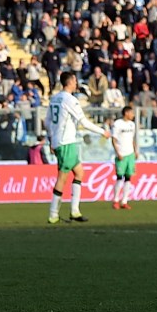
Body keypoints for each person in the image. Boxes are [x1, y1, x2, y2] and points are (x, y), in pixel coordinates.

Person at [46, 71, 111, 223]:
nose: (76, 83)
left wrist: (51, 140)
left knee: (79, 172)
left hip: (59, 141)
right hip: (66, 142)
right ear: (70, 82)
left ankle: (75, 211)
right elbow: (84, 122)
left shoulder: (55, 98)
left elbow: (48, 122)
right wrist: (103, 131)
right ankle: (53, 213)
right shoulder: (70, 100)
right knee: (62, 177)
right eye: (75, 81)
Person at [109, 106, 139, 210]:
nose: (133, 115)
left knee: (128, 178)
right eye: (131, 113)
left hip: (130, 154)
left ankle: (124, 201)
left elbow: (132, 139)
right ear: (126, 113)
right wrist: (117, 153)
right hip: (121, 154)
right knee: (119, 178)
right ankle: (115, 200)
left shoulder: (132, 125)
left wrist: (135, 151)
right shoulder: (118, 124)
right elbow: (113, 139)